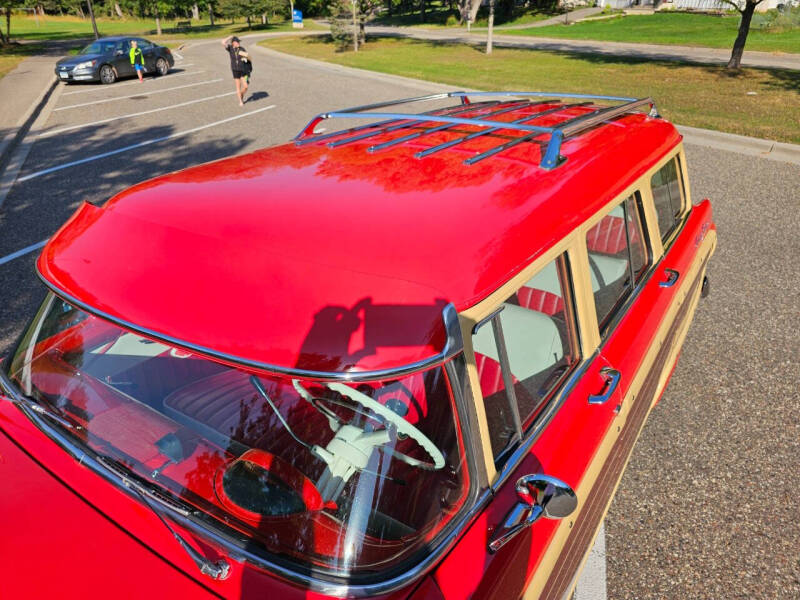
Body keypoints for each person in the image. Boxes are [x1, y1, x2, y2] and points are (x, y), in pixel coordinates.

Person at [221, 35, 250, 106]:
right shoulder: (230, 48)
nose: (239, 43)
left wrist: (246, 62)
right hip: (235, 70)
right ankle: (240, 101)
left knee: (246, 86)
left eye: (239, 42)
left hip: (243, 70)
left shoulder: (241, 49)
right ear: (233, 43)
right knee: (238, 86)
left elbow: (248, 58)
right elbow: (222, 42)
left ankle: (241, 94)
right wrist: (230, 37)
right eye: (237, 42)